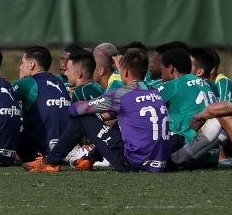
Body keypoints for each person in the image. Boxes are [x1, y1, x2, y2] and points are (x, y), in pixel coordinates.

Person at [25, 48, 170, 173]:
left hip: (134, 164)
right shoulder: (155, 92)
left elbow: (76, 110)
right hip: (161, 162)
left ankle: (50, 161)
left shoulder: (123, 94)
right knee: (118, 125)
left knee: (82, 120)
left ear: (125, 72)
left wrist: (75, 103)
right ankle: (89, 159)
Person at [159, 48, 218, 169]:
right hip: (212, 155)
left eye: (162, 68)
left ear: (171, 68)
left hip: (187, 153)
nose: (161, 73)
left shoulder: (173, 85)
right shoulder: (209, 84)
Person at [13, 46, 71, 161]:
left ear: (32, 65)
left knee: (9, 115)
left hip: (38, 151)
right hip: (65, 148)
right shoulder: (58, 82)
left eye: (22, 63)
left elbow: (0, 97)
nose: (20, 67)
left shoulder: (28, 83)